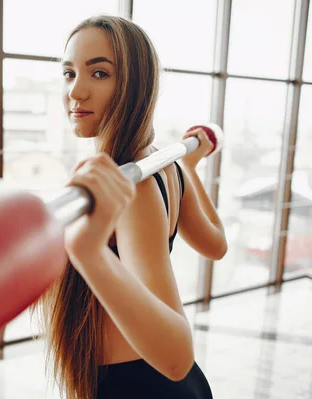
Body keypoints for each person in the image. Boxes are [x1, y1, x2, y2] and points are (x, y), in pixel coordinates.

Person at [33, 15, 227, 399]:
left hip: (142, 387)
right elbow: (215, 244)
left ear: (135, 86)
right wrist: (189, 166)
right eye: (69, 73)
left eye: (100, 74)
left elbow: (175, 357)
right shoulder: (163, 163)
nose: (76, 92)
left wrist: (87, 251)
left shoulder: (132, 187)